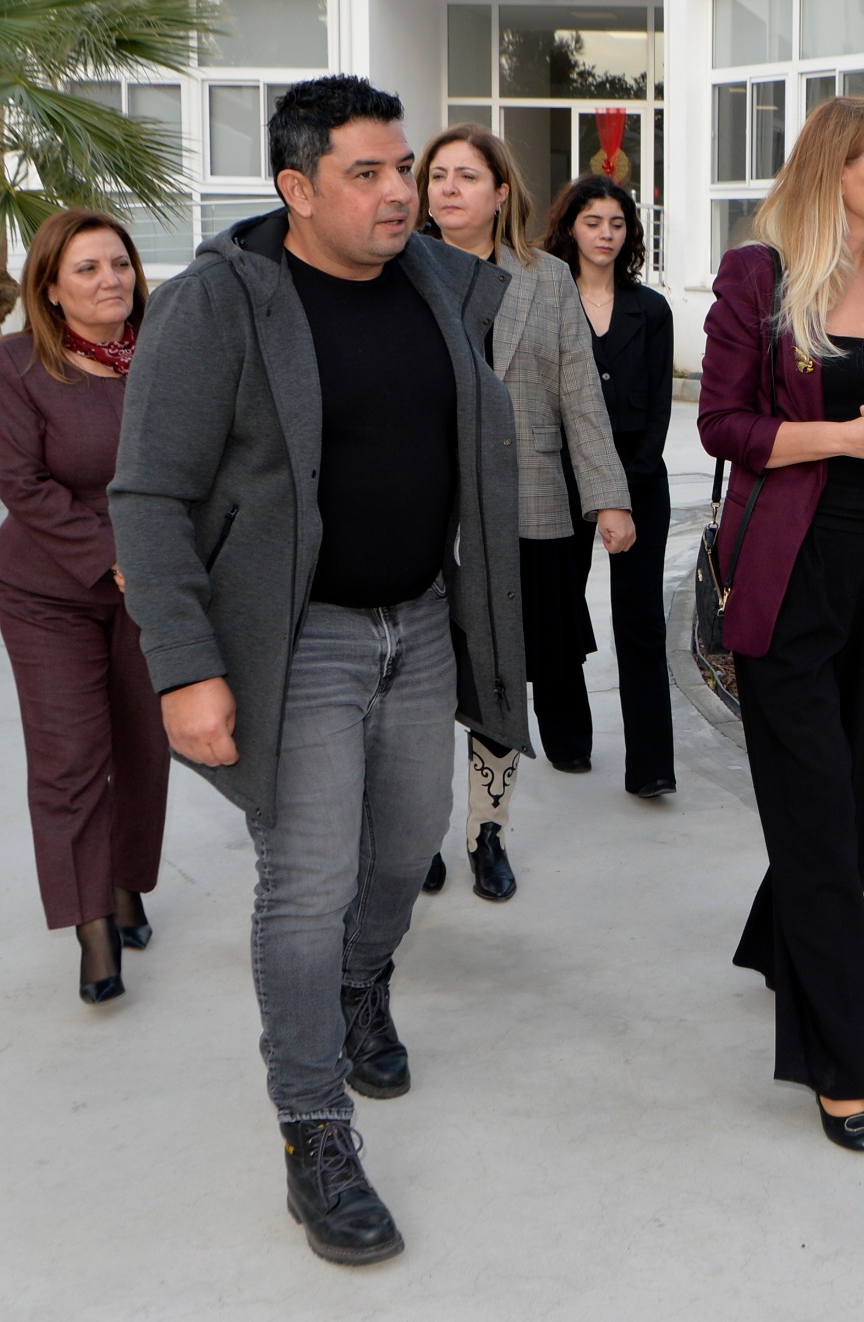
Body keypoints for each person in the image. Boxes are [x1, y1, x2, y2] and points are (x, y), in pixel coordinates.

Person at [111, 76, 527, 1266]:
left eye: (405, 168)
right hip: (299, 641)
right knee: (305, 879)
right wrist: (184, 665)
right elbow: (149, 494)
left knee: (402, 851)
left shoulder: (437, 280)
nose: (402, 192)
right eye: (368, 173)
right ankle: (313, 1129)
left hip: (423, 622)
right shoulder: (219, 304)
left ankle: (358, 984)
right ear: (296, 188)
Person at [699, 96, 864, 1154]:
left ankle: (775, 939)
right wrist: (845, 435)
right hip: (787, 579)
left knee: (847, 814)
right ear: (838, 168)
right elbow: (724, 424)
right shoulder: (757, 278)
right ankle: (840, 1063)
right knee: (814, 822)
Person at [417, 127, 634, 902]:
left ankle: (488, 832)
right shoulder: (399, 272)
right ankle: (416, 833)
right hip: (420, 513)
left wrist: (608, 496)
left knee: (502, 680)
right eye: (438, 175)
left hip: (527, 506)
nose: (448, 188)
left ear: (501, 192)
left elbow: (579, 390)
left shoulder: (547, 278)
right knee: (421, 683)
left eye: (467, 176)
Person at [0, 208, 170, 1005]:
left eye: (119, 263)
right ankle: (93, 926)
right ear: (52, 289)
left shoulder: (165, 355)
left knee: (143, 747)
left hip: (155, 585)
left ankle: (126, 884)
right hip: (47, 592)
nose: (110, 280)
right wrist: (112, 554)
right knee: (70, 759)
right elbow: (22, 484)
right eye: (88, 269)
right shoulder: (17, 363)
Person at [541, 175, 676, 796]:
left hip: (638, 478)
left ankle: (651, 767)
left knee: (641, 620)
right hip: (558, 478)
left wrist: (624, 486)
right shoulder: (545, 299)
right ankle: (568, 740)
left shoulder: (651, 309)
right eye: (593, 222)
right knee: (560, 611)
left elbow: (658, 409)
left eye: (617, 224)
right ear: (571, 226)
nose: (605, 234)